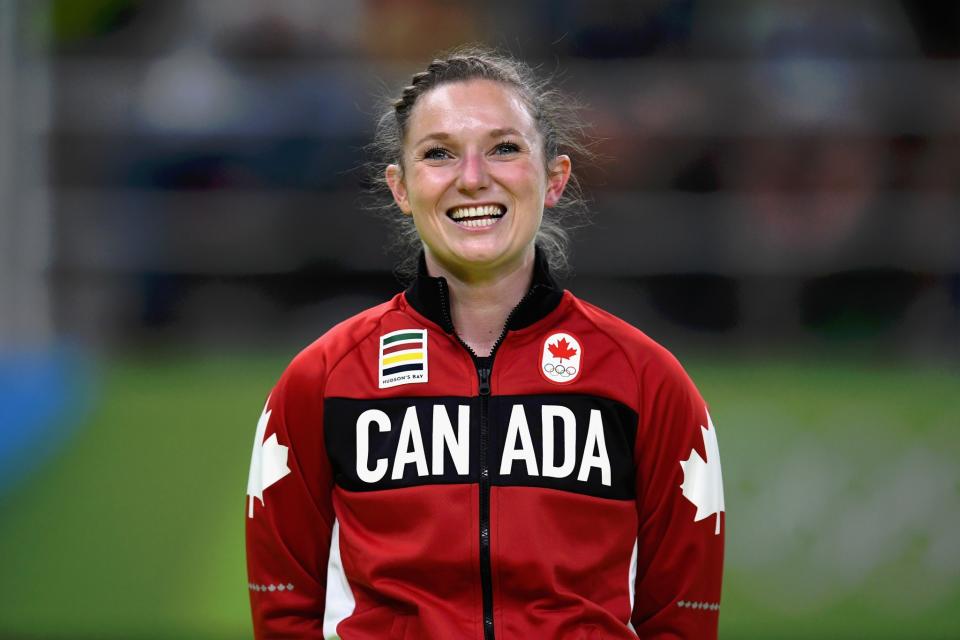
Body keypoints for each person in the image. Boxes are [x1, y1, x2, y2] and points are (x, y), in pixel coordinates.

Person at [245, 47, 725, 639]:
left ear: (554, 179)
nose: (473, 178)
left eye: (504, 148)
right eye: (439, 153)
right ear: (400, 187)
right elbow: (283, 614)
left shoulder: (647, 381)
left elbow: (681, 623)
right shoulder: (322, 379)